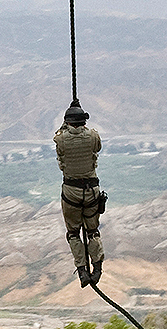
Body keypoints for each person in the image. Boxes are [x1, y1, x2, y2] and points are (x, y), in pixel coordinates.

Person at [54, 99, 104, 287]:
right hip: (91, 190)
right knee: (92, 231)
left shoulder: (61, 139)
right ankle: (97, 268)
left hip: (71, 191)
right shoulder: (93, 136)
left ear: (67, 122)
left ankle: (83, 271)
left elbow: (59, 138)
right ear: (84, 121)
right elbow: (97, 147)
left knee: (74, 233)